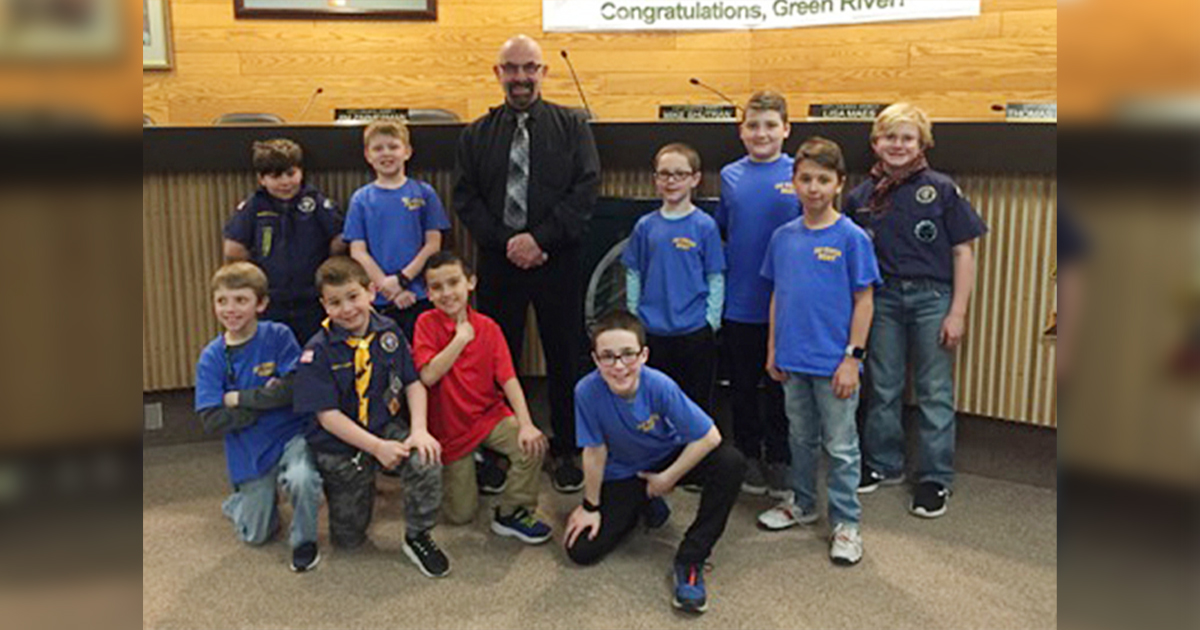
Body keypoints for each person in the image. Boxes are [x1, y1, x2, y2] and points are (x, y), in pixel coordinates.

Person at [452, 34, 601, 493]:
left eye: (529, 68)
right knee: (498, 358)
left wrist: (539, 240)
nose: (520, 77)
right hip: (499, 263)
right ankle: (502, 445)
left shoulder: (573, 126)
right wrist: (508, 243)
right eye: (511, 68)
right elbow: (466, 198)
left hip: (559, 259)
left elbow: (586, 189)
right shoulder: (475, 133)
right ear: (497, 74)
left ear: (543, 72)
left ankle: (566, 448)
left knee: (565, 354)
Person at [844, 103, 988, 518]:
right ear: (875, 143)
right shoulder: (860, 197)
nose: (898, 145)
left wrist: (957, 312)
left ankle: (933, 477)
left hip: (932, 298)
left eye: (907, 137)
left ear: (922, 144)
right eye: (890, 137)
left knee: (934, 390)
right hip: (882, 299)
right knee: (884, 386)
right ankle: (883, 463)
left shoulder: (941, 189)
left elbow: (963, 252)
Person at [563, 310, 745, 614]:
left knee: (730, 462)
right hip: (625, 471)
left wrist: (668, 479)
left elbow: (710, 436)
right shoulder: (586, 391)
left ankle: (691, 559)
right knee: (581, 550)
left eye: (627, 355)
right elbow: (594, 452)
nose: (619, 366)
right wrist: (590, 507)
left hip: (667, 460)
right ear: (595, 359)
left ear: (644, 355)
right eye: (607, 357)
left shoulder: (660, 386)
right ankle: (644, 504)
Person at [754, 138, 881, 566]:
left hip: (835, 364)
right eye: (805, 179)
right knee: (800, 438)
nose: (813, 188)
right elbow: (777, 296)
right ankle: (802, 502)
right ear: (793, 183)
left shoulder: (851, 238)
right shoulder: (782, 237)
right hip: (793, 358)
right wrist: (773, 348)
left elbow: (865, 300)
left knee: (841, 446)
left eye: (823, 180)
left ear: (839, 184)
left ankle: (846, 523)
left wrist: (853, 357)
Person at [294, 256, 450, 578]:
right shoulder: (317, 351)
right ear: (324, 305)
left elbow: (412, 381)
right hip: (340, 444)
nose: (347, 309)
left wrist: (419, 429)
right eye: (335, 302)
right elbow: (328, 417)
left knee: (426, 457)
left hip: (384, 425)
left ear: (371, 291)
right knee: (349, 539)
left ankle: (417, 535)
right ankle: (353, 487)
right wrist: (376, 448)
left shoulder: (389, 332)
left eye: (353, 297)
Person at [412, 251, 553, 543]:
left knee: (531, 446)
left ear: (471, 283)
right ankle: (473, 463)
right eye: (437, 287)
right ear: (427, 292)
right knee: (460, 515)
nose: (447, 293)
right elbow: (428, 376)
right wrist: (460, 339)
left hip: (489, 416)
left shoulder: (489, 327)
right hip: (450, 428)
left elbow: (508, 378)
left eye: (454, 283)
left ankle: (512, 512)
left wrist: (526, 424)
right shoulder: (425, 323)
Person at [194, 262, 322, 572]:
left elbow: (292, 389)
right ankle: (240, 503)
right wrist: (268, 399)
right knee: (256, 535)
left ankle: (304, 542)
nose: (230, 309)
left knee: (303, 479)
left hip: (291, 435)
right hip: (249, 447)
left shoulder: (278, 335)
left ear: (261, 303)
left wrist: (238, 399)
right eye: (222, 301)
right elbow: (212, 419)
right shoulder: (212, 357)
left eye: (241, 300)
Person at [715, 91, 801, 499]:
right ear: (741, 131)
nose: (761, 133)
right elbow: (725, 232)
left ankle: (781, 456)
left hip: (787, 303)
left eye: (770, 125)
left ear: (786, 129)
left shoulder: (801, 173)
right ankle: (748, 452)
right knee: (744, 384)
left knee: (782, 385)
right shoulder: (730, 176)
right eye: (753, 125)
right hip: (741, 301)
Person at [623, 142, 726, 415]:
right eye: (664, 174)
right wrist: (636, 318)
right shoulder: (645, 226)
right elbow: (633, 273)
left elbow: (715, 277)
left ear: (695, 179)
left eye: (679, 174)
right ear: (655, 179)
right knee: (655, 404)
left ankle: (696, 456)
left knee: (695, 405)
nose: (671, 181)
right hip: (653, 331)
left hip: (694, 332)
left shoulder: (705, 226)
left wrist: (710, 322)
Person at [223, 138, 346, 344]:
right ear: (261, 179)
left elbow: (340, 239)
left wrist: (327, 268)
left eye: (291, 174)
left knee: (315, 352)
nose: (285, 182)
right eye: (275, 176)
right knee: (273, 352)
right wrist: (256, 278)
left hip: (312, 299)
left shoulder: (315, 201)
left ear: (301, 172)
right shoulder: (255, 206)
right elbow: (233, 249)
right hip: (272, 300)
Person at [345, 118, 451, 342]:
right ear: (368, 155)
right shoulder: (361, 199)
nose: (386, 154)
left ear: (407, 151)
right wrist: (387, 287)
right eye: (378, 148)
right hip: (378, 299)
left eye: (393, 146)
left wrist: (403, 280)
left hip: (419, 294)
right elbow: (358, 251)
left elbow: (433, 244)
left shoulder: (424, 193)